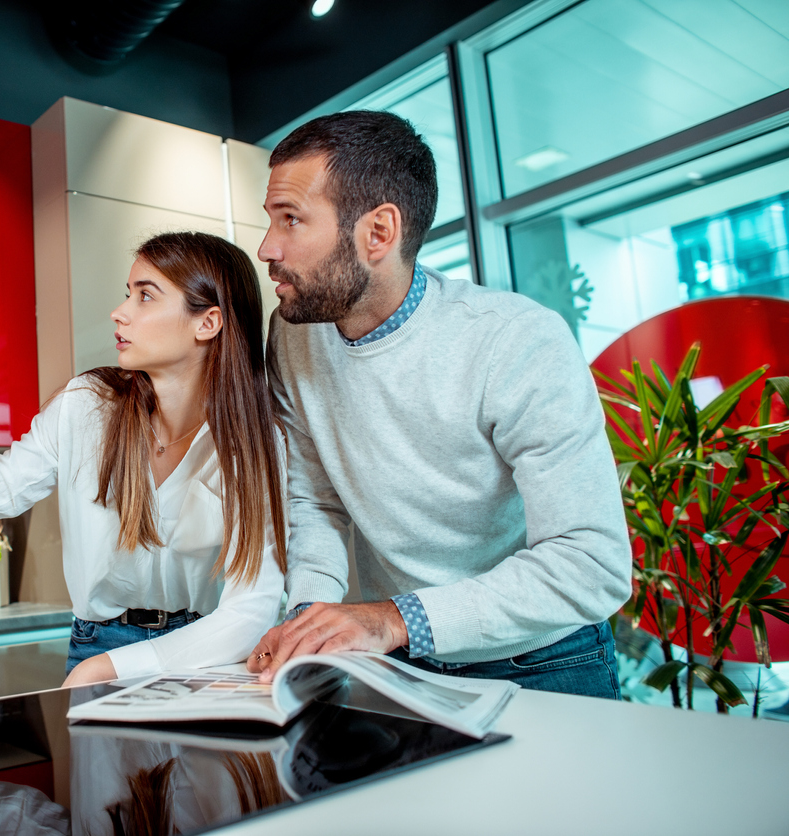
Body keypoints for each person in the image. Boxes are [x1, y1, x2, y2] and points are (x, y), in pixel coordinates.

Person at [245, 110, 631, 699]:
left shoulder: (517, 340)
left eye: (291, 219)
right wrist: (312, 619)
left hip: (541, 660)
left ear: (379, 233)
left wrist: (390, 619)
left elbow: (591, 563)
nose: (267, 246)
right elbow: (316, 500)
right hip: (399, 660)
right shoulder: (295, 333)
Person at [0, 231, 287, 687]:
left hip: (199, 654)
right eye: (128, 294)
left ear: (208, 323)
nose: (119, 312)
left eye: (145, 296)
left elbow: (250, 609)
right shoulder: (87, 406)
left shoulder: (254, 444)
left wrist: (108, 668)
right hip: (95, 644)